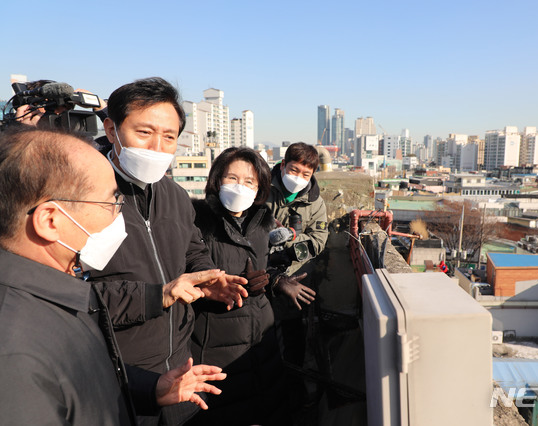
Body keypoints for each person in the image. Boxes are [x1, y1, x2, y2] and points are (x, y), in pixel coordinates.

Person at [0, 127, 227, 424]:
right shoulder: (14, 352)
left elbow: (85, 379)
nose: (119, 215)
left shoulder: (57, 293)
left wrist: (152, 388)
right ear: (50, 220)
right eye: (110, 203)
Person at [89, 77, 248, 425]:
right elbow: (74, 294)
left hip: (181, 371)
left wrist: (209, 278)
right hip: (117, 378)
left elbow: (192, 249)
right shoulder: (84, 195)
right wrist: (157, 295)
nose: (157, 147)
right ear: (112, 129)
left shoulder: (174, 195)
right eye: (144, 132)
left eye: (169, 136)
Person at [188, 147, 313, 425]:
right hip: (216, 340)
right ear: (216, 180)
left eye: (249, 182)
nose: (239, 187)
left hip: (261, 338)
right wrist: (218, 290)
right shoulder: (197, 221)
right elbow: (189, 275)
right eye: (231, 179)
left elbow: (259, 269)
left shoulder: (261, 224)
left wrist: (275, 280)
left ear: (259, 189)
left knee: (268, 405)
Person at [266, 142, 328, 368]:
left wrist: (291, 240)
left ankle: (294, 383)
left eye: (305, 173)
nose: (298, 177)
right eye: (293, 170)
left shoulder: (315, 203)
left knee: (293, 339)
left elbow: (319, 239)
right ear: (283, 165)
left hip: (294, 278)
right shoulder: (262, 188)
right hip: (258, 273)